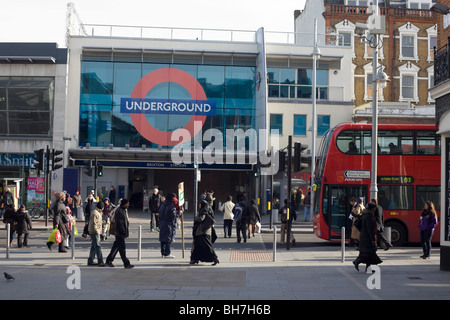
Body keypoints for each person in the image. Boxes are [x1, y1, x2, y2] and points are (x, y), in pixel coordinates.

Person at [352, 202, 383, 272]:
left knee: (369, 254)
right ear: (372, 209)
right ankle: (357, 261)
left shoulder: (364, 215)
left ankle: (368, 268)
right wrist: (373, 239)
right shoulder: (369, 216)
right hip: (367, 238)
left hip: (363, 236)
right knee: (368, 253)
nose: (375, 209)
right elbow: (370, 229)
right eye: (374, 208)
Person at [105, 199, 133, 268]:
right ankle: (126, 263)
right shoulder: (120, 211)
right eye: (127, 204)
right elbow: (120, 224)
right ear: (124, 204)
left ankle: (109, 260)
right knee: (122, 249)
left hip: (120, 233)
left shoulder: (122, 210)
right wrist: (123, 232)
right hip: (120, 233)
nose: (128, 205)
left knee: (116, 247)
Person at [190, 200, 219, 266]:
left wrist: (196, 217)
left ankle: (215, 258)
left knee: (206, 246)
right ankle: (195, 259)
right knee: (198, 246)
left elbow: (201, 219)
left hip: (202, 232)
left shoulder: (203, 210)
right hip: (206, 231)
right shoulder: (209, 210)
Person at [159, 193, 182, 258]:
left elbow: (159, 215)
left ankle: (163, 252)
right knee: (168, 239)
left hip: (162, 223)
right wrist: (179, 213)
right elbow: (174, 216)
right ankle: (167, 253)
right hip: (169, 224)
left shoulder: (163, 205)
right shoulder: (171, 207)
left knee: (162, 239)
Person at [88, 201, 105, 266]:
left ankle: (90, 260)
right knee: (98, 246)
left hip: (95, 231)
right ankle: (100, 261)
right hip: (94, 232)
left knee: (93, 246)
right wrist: (97, 231)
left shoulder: (97, 213)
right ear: (102, 208)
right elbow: (94, 224)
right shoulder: (95, 213)